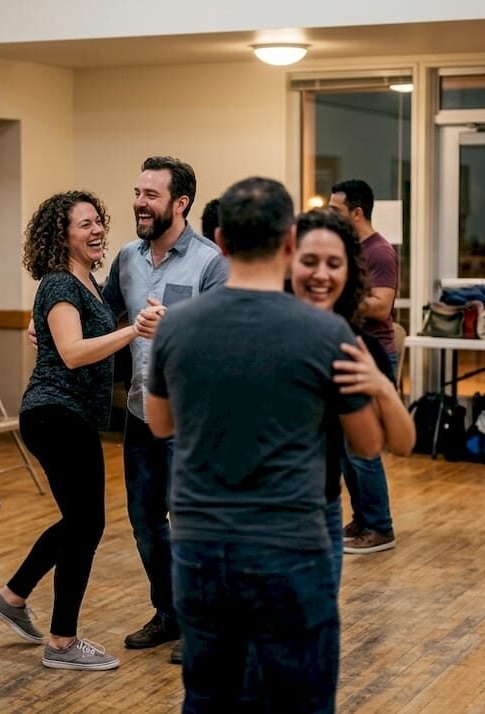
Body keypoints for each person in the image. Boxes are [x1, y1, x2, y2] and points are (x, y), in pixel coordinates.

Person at [146, 177, 384, 711]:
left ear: (222, 242)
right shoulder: (327, 335)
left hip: (202, 547)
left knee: (209, 697)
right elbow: (367, 446)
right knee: (300, 701)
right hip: (291, 546)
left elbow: (160, 426)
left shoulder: (176, 328)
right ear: (288, 242)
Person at [0, 190, 158, 671]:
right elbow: (73, 352)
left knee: (79, 522)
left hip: (70, 416)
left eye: (98, 221)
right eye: (85, 225)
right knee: (87, 525)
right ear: (61, 237)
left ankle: (12, 596)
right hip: (55, 414)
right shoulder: (60, 284)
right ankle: (62, 643)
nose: (98, 229)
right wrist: (134, 331)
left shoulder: (86, 284)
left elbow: (71, 333)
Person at [102, 156, 228, 664]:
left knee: (195, 522)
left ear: (180, 203)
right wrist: (46, 319)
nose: (139, 202)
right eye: (137, 192)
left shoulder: (210, 261)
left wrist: (174, 325)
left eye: (151, 195)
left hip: (192, 417)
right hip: (139, 412)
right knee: (145, 519)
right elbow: (101, 310)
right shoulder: (127, 258)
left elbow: (225, 333)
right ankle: (170, 613)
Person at [291, 209, 416, 590]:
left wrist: (379, 385)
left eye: (335, 263)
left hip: (318, 512)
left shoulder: (354, 346)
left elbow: (403, 442)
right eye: (309, 261)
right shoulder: (262, 332)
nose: (321, 274)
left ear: (349, 274)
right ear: (288, 263)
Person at [327, 179, 399, 554]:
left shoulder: (379, 252)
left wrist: (336, 295)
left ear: (356, 212)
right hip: (348, 352)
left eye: (336, 210)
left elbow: (381, 306)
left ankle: (381, 526)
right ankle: (363, 518)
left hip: (375, 356)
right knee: (344, 448)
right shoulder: (348, 249)